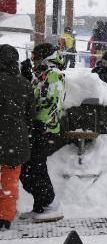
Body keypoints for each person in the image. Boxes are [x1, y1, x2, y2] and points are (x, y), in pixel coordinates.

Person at [19, 43, 66, 222]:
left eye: (36, 56)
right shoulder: (42, 75)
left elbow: (51, 101)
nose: (33, 60)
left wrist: (39, 122)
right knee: (29, 168)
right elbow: (34, 96)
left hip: (44, 129)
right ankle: (40, 205)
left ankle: (50, 204)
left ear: (45, 57)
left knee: (35, 168)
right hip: (35, 127)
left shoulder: (54, 75)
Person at [0, 45, 34, 230]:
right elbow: (31, 115)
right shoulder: (25, 84)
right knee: (9, 180)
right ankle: (5, 217)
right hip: (16, 138)